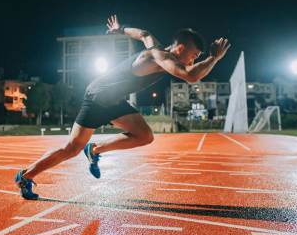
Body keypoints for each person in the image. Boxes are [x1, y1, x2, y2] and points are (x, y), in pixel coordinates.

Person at [15, 15, 231, 199]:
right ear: (181, 48)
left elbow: (144, 34)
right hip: (98, 97)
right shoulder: (161, 58)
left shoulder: (156, 47)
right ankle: (25, 176)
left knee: (145, 135)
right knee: (71, 148)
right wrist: (214, 57)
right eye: (194, 55)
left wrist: (121, 29)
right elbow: (191, 76)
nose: (194, 60)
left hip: (114, 100)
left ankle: (95, 149)